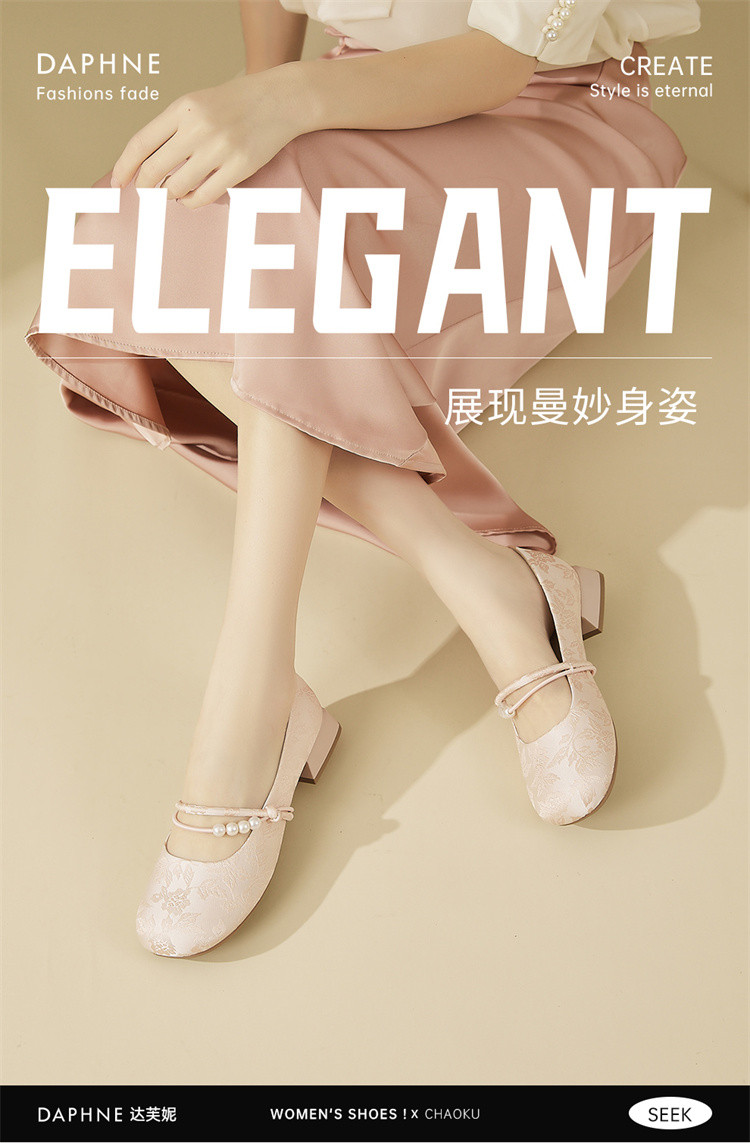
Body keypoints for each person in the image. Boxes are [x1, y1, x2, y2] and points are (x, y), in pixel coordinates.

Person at [26, 0, 701, 957]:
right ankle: (484, 579)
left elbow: (501, 60)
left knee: (250, 247)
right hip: (355, 116)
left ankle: (249, 700)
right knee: (155, 211)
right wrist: (261, 103)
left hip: (558, 133)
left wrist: (282, 103)